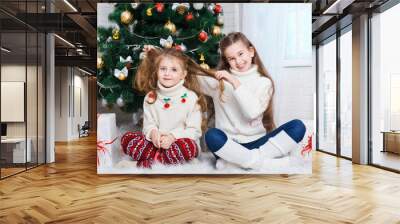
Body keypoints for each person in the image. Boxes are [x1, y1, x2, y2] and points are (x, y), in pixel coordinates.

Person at [196, 32, 307, 170]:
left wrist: (234, 81)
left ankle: (238, 162)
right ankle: (263, 163)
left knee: (298, 126)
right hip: (229, 145)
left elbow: (252, 112)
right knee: (211, 136)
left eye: (241, 54)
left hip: (257, 143)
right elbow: (188, 78)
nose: (238, 61)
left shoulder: (264, 83)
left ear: (251, 52)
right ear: (227, 61)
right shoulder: (218, 82)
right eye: (231, 58)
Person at [120, 48, 207, 168]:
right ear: (157, 71)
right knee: (127, 138)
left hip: (180, 142)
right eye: (163, 69)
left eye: (174, 70)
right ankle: (162, 159)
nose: (167, 73)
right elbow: (148, 125)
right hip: (157, 145)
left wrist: (172, 137)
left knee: (188, 147)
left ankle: (147, 163)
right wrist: (153, 133)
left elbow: (194, 131)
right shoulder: (151, 97)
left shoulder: (191, 98)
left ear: (183, 74)